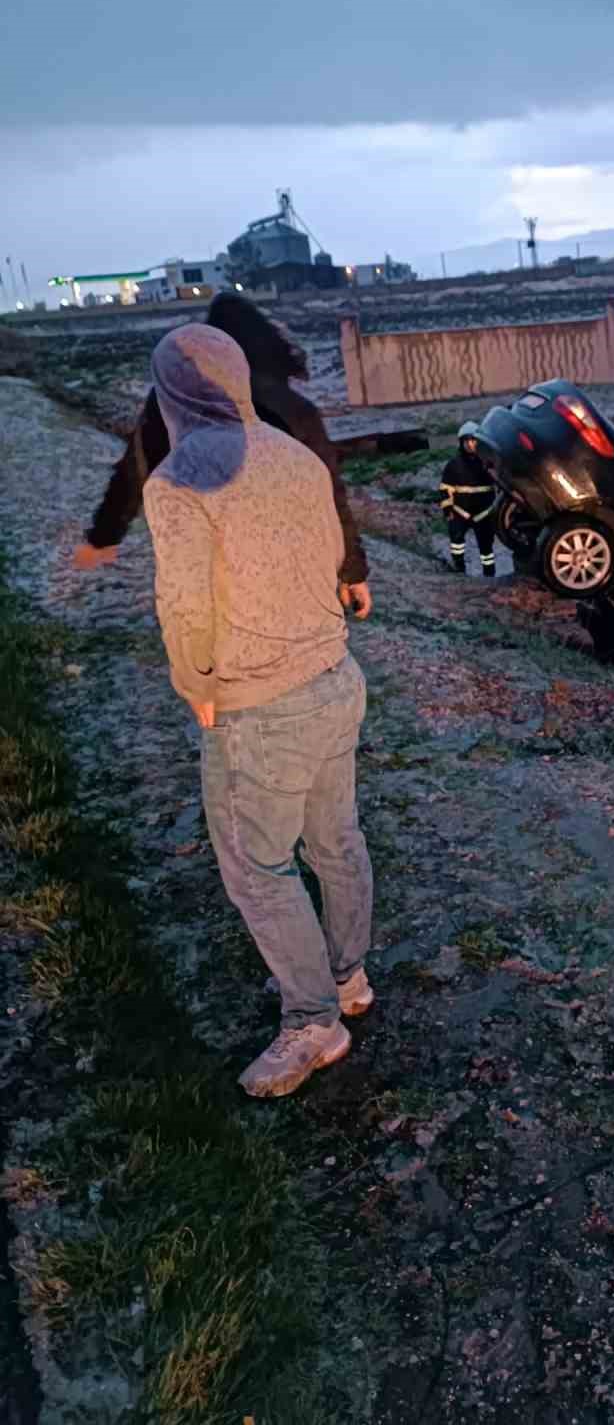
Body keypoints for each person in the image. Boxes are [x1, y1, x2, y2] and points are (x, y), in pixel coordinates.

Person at [141, 323, 375, 1098]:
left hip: (262, 706)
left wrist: (197, 686)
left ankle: (313, 1022)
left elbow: (185, 605)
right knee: (334, 841)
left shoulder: (179, 480)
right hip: (335, 680)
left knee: (257, 868)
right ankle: (347, 980)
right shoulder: (295, 455)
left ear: (172, 391)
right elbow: (332, 549)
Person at [74, 290, 372, 620]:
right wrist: (352, 572)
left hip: (204, 558)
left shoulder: (171, 403)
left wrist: (104, 537)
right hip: (286, 557)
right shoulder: (295, 410)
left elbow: (135, 471)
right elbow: (329, 494)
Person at [439, 422, 498, 577]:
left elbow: (500, 486)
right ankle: (459, 571)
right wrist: (448, 511)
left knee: (487, 549)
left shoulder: (488, 463)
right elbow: (445, 489)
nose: (471, 444)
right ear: (462, 442)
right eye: (468, 441)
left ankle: (490, 575)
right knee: (456, 543)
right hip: (460, 512)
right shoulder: (453, 465)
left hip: (484, 513)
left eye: (474, 441)